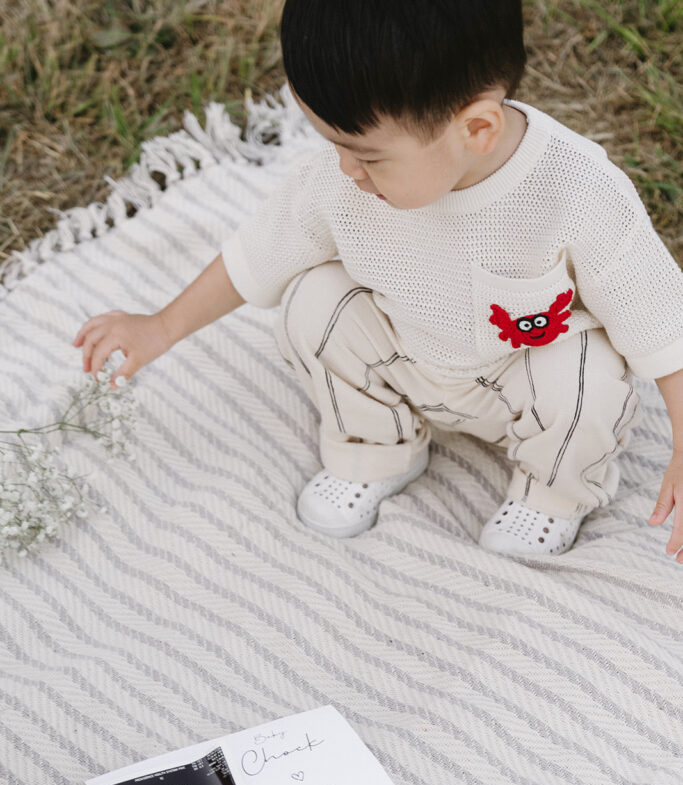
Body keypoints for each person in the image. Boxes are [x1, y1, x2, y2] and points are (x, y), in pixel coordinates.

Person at [72, 0, 683, 560]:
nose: (346, 171)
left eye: (367, 154)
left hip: (522, 375)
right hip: (406, 355)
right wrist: (161, 326)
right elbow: (258, 255)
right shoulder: (341, 182)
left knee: (588, 379)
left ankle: (552, 494)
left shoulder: (576, 191)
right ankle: (375, 445)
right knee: (311, 300)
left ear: (477, 129)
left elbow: (660, 323)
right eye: (332, 145)